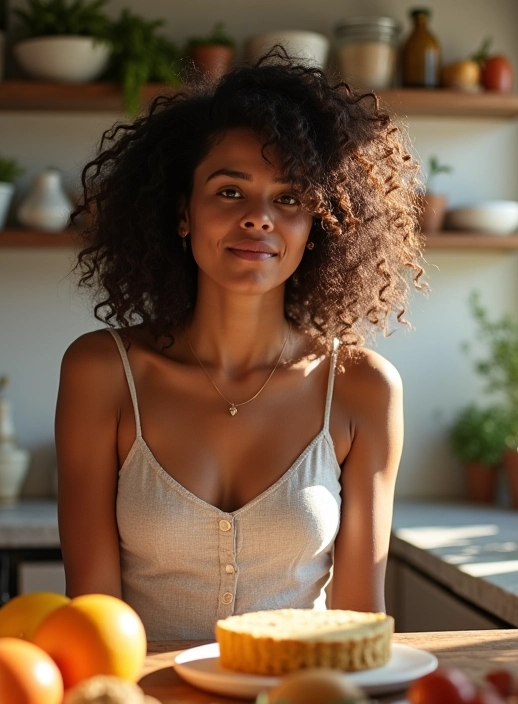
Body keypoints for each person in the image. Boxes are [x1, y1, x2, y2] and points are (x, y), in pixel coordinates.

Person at [55, 57, 426, 641]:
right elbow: (95, 624)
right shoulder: (101, 372)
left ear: (318, 226)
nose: (258, 218)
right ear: (183, 212)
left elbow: (359, 631)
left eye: (289, 199)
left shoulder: (362, 389)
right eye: (230, 191)